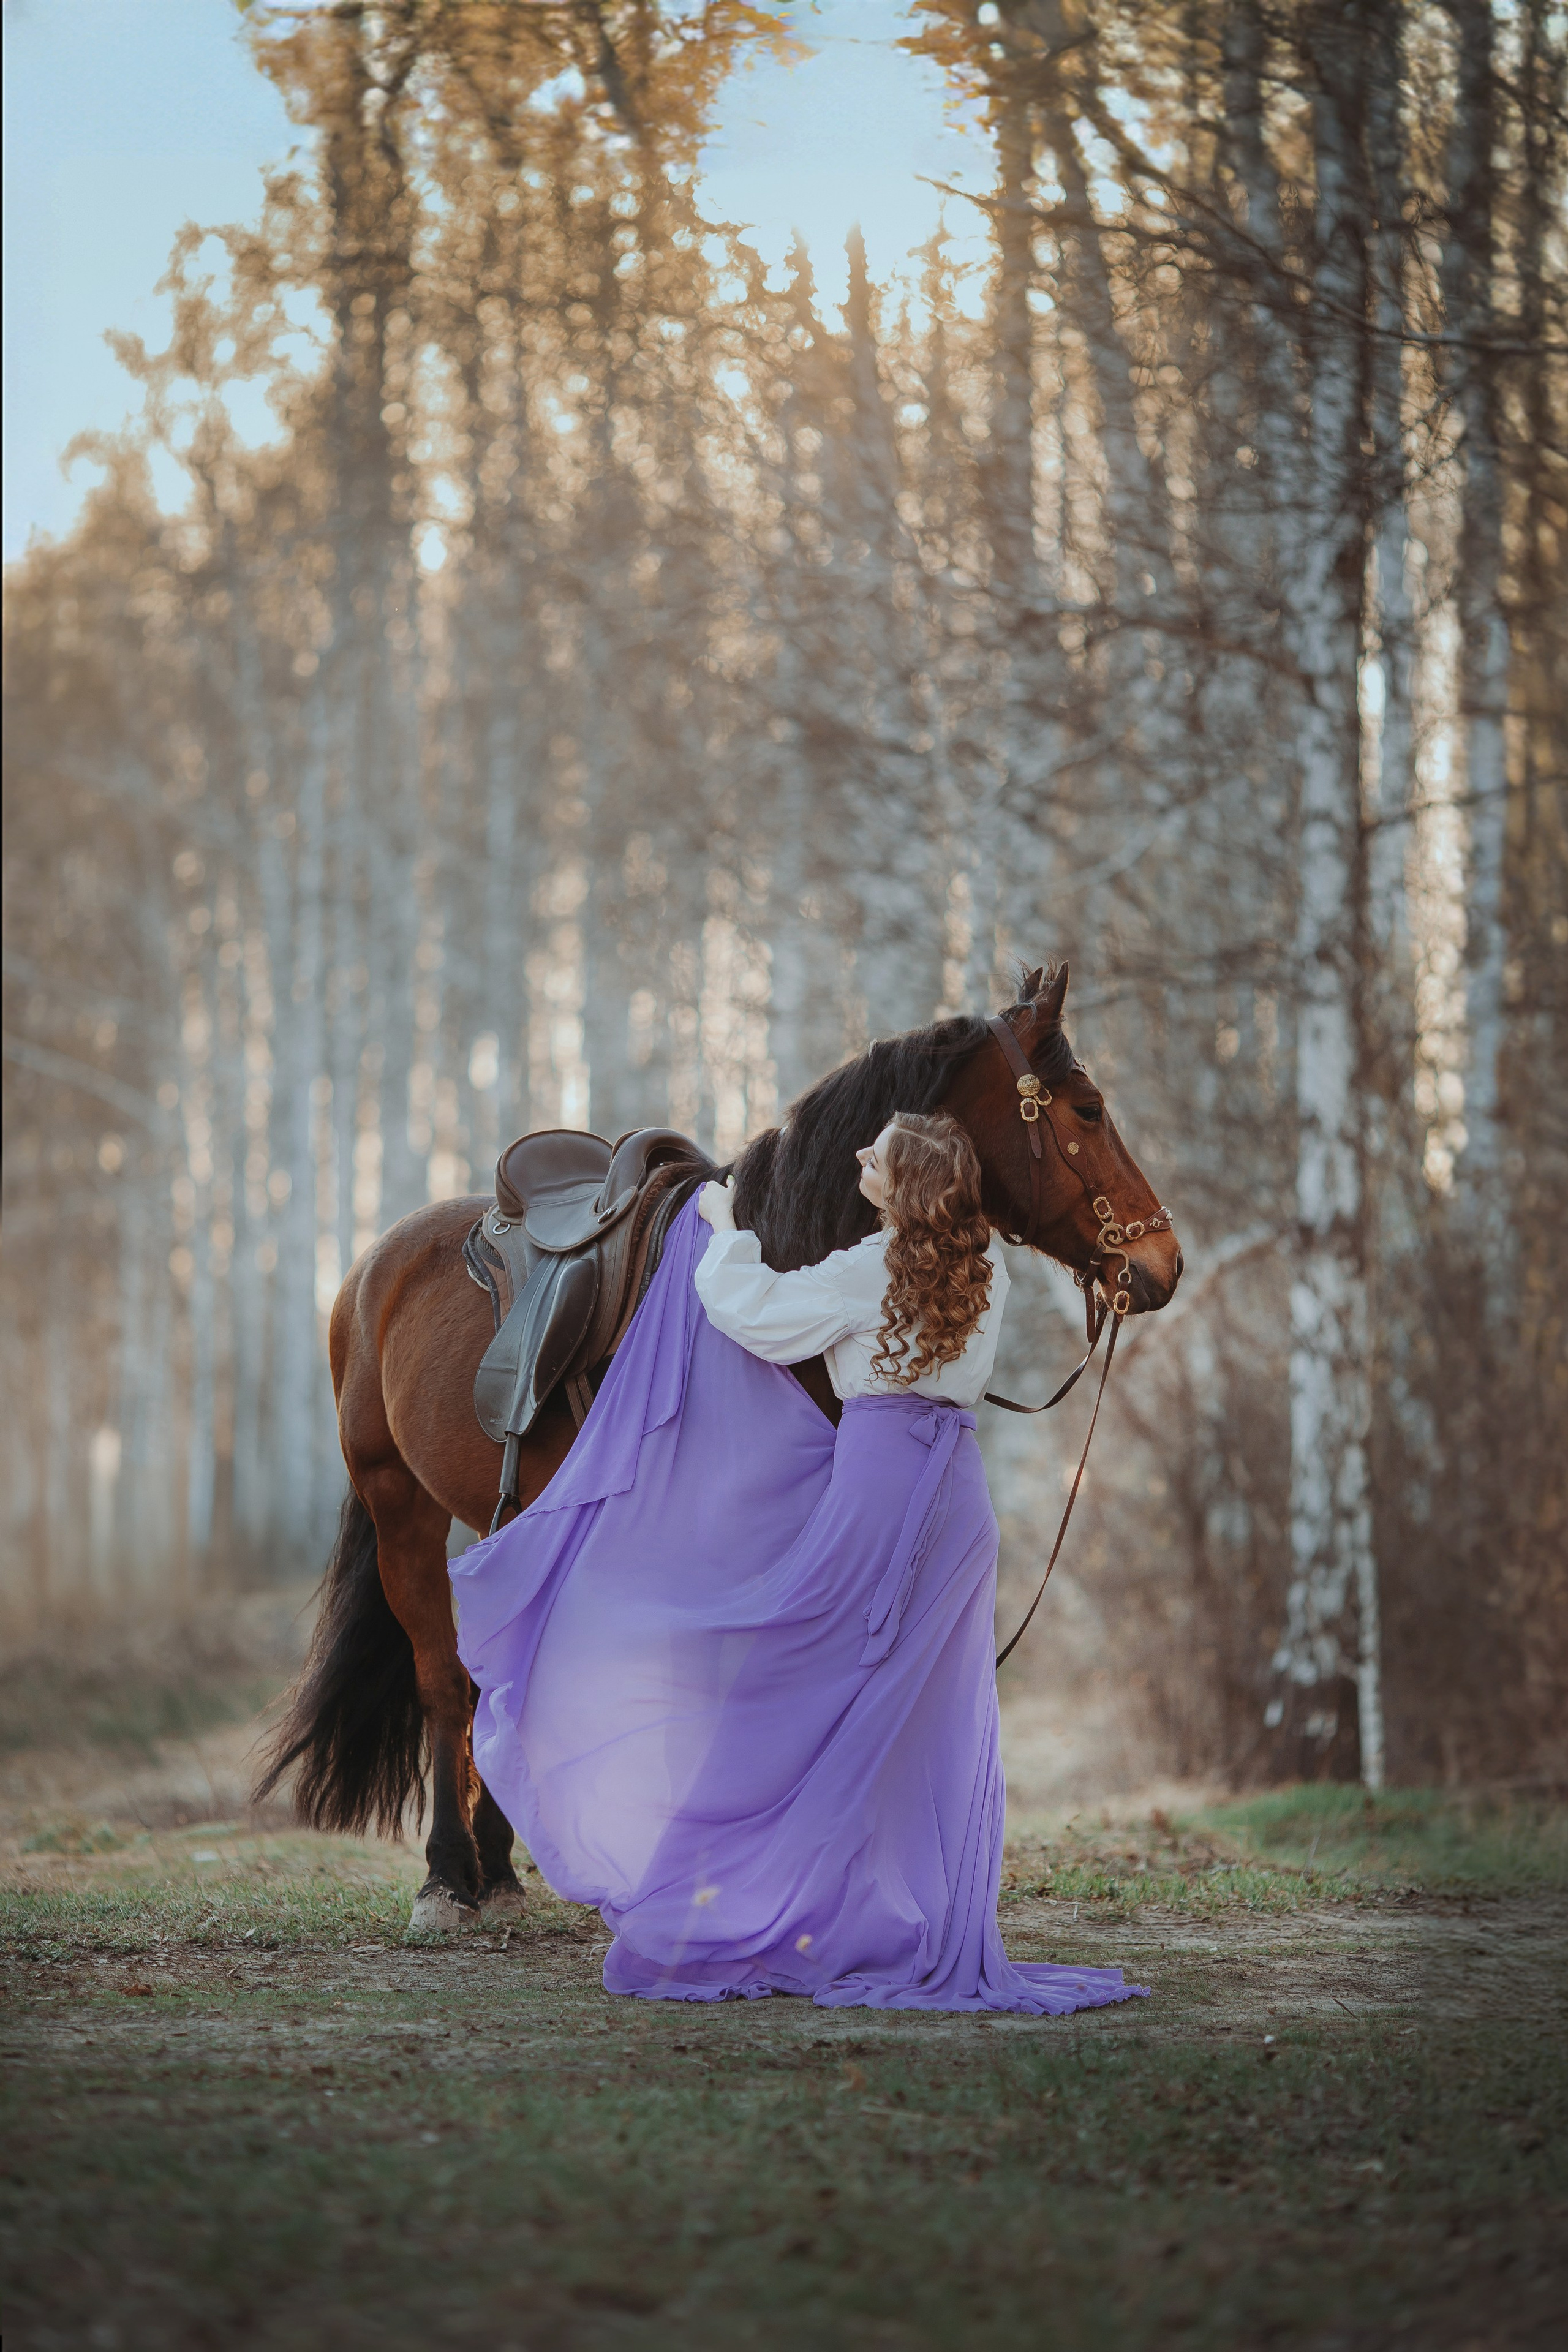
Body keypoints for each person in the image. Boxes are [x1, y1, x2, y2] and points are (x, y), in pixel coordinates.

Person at [451, 1110, 1145, 2016]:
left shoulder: (869, 1270)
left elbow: (753, 1317)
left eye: (878, 1155)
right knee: (924, 1713)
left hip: (880, 1489)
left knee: (782, 1671)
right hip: (959, 1503)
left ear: (908, 1186)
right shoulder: (988, 1272)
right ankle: (901, 1914)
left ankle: (716, 1894)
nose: (862, 1158)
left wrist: (726, 1229)